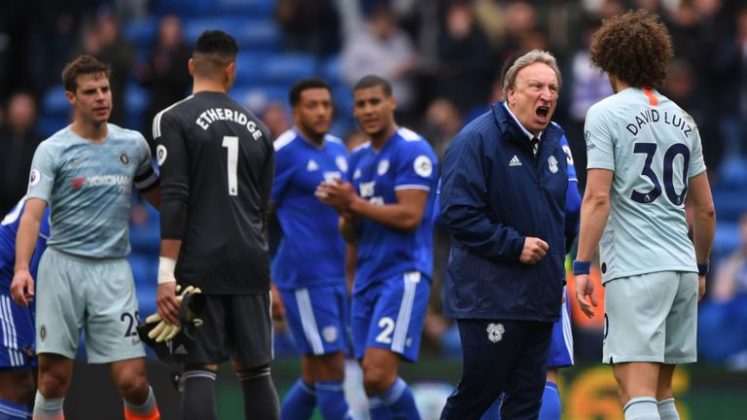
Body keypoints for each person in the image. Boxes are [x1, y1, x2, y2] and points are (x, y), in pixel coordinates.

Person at [573, 10, 716, 420]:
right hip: (681, 269)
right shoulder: (684, 120)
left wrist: (581, 265)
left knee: (634, 392)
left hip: (636, 270)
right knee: (661, 394)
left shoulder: (605, 114)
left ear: (607, 62)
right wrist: (700, 268)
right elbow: (706, 208)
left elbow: (597, 197)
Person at [10, 54, 161, 420]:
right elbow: (32, 215)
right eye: (90, 92)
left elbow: (163, 199)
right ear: (71, 98)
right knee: (52, 382)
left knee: (134, 382)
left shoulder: (133, 145)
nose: (101, 97)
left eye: (105, 89)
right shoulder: (52, 150)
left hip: (112, 271)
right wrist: (22, 268)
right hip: (62, 269)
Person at [438, 49, 574, 419]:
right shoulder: (475, 139)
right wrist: (514, 245)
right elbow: (456, 213)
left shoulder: (554, 142)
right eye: (536, 86)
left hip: (539, 298)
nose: (546, 95)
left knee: (526, 402)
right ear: (510, 93)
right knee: (479, 394)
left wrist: (556, 271)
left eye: (552, 88)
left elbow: (562, 215)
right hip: (491, 298)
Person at [151, 30, 278, 420]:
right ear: (231, 70)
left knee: (199, 368)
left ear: (192, 66)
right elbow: (261, 210)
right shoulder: (261, 128)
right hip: (250, 261)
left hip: (200, 262)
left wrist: (166, 273)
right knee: (255, 369)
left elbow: (175, 198)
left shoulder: (172, 119)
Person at [316, 75, 438, 419]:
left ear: (391, 103)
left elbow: (410, 216)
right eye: (361, 104)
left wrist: (354, 203)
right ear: (354, 110)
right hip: (367, 278)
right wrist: (344, 210)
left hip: (403, 273)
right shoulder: (357, 160)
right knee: (370, 381)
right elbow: (350, 234)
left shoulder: (413, 149)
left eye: (375, 102)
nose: (368, 110)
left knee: (378, 375)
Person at [271, 77, 352, 419]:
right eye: (312, 105)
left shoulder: (338, 148)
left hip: (335, 275)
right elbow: (256, 216)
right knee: (333, 369)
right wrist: (267, 282)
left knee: (313, 376)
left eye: (326, 105)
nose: (321, 112)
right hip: (304, 278)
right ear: (295, 111)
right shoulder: (282, 152)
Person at [0, 197, 50, 419]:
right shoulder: (50, 205)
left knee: (45, 384)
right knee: (19, 384)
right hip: (6, 281)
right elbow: (36, 269)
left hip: (26, 289)